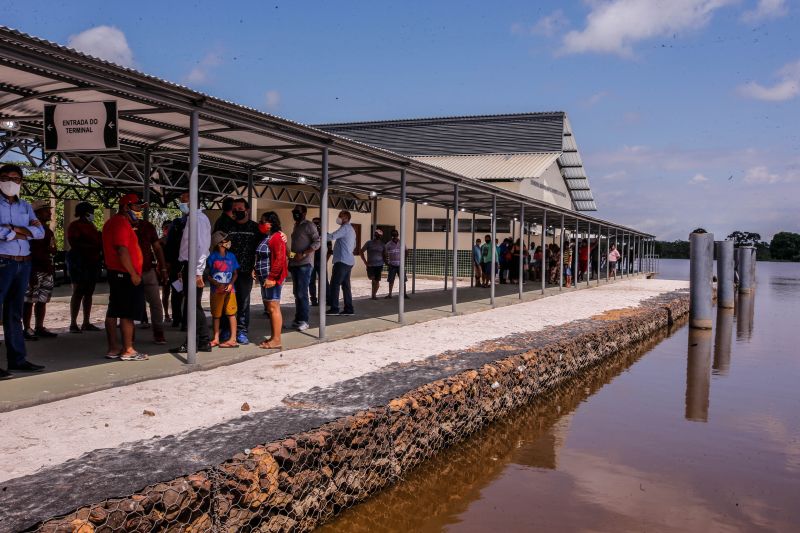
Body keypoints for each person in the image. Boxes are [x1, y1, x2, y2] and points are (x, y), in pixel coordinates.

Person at [0, 163, 45, 379]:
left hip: (23, 262)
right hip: (3, 261)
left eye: (16, 178)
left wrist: (12, 230)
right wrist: (25, 232)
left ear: (21, 182)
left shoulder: (25, 206)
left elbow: (40, 232)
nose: (11, 182)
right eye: (6, 177)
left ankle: (17, 360)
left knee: (14, 313)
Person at [102, 193, 148, 361]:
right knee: (126, 313)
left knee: (114, 310)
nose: (139, 211)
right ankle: (128, 349)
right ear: (126, 207)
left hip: (117, 272)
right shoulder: (120, 223)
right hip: (124, 274)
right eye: (137, 207)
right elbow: (122, 250)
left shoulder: (113, 223)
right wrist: (133, 273)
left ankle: (113, 348)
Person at [212, 197, 260, 344]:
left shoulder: (255, 228)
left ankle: (242, 332)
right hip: (228, 273)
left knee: (243, 302)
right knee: (227, 301)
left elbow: (265, 244)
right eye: (235, 210)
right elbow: (216, 242)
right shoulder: (227, 226)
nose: (237, 212)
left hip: (246, 271)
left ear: (247, 210)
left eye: (240, 209)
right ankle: (227, 330)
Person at [169, 192, 212, 354]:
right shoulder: (192, 219)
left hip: (195, 267)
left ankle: (196, 342)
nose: (181, 204)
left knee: (193, 306)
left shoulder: (198, 220)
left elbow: (201, 247)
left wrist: (198, 272)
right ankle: (201, 341)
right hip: (189, 266)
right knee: (193, 305)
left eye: (184, 201)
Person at [23, 200, 57, 340]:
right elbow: (28, 252)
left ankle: (39, 326)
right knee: (29, 300)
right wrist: (30, 272)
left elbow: (52, 248)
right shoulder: (29, 230)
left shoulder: (47, 230)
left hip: (46, 269)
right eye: (45, 210)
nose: (49, 213)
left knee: (42, 299)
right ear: (36, 213)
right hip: (34, 269)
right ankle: (26, 328)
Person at [66, 201, 102, 333]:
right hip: (80, 262)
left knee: (89, 292)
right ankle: (73, 323)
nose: (93, 213)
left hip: (93, 262)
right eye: (91, 211)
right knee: (78, 292)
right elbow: (74, 244)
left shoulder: (91, 225)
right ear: (86, 213)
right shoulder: (75, 226)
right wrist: (94, 246)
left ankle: (86, 322)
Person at [255, 211, 287, 349]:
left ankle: (277, 340)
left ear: (271, 223)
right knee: (270, 308)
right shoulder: (267, 237)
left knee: (274, 308)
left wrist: (271, 277)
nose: (261, 224)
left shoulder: (277, 237)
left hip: (271, 279)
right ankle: (274, 337)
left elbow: (280, 259)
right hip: (265, 278)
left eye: (263, 222)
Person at [134, 215, 167, 344]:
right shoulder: (123, 225)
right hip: (130, 271)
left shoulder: (147, 226)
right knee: (129, 303)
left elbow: (157, 247)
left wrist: (163, 268)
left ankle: (158, 331)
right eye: (136, 207)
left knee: (156, 303)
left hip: (148, 270)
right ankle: (128, 337)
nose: (138, 211)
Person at [289, 204, 321, 330]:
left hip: (305, 264)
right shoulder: (296, 226)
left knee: (302, 293)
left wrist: (303, 253)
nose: (294, 213)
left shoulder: (309, 225)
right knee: (296, 293)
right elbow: (294, 247)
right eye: (294, 211)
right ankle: (298, 319)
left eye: (297, 211)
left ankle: (304, 320)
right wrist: (290, 259)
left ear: (304, 213)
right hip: (294, 264)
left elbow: (317, 242)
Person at [207, 231, 240, 348]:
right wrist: (216, 284)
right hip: (216, 291)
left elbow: (235, 273)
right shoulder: (212, 257)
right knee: (216, 315)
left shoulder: (231, 256)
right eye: (226, 240)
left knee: (231, 313)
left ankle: (233, 338)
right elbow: (208, 275)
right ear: (219, 243)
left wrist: (231, 284)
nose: (228, 243)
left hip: (230, 290)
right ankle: (215, 338)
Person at [326, 210, 356, 316]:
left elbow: (333, 236)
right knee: (346, 286)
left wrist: (321, 234)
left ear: (346, 218)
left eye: (340, 216)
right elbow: (354, 245)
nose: (338, 217)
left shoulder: (345, 228)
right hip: (349, 260)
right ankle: (349, 308)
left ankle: (334, 308)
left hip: (342, 261)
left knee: (335, 284)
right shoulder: (351, 229)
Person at [163, 209, 186, 328]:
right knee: (180, 293)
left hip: (176, 266)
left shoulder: (174, 233)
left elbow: (169, 250)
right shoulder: (180, 231)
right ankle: (180, 319)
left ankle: (177, 318)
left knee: (177, 293)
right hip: (179, 266)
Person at [360, 228, 385, 300]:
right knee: (372, 278)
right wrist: (365, 262)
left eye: (379, 234)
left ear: (381, 236)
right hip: (370, 265)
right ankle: (373, 294)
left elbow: (384, 254)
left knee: (376, 281)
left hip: (379, 265)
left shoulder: (382, 244)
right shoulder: (369, 243)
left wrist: (385, 262)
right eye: (376, 233)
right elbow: (361, 251)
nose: (377, 235)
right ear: (374, 234)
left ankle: (374, 295)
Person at [385, 229, 409, 298]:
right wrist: (386, 262)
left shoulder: (402, 242)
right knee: (391, 280)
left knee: (403, 280)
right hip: (392, 265)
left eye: (395, 234)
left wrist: (404, 260)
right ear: (391, 235)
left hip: (400, 265)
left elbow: (406, 251)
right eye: (393, 234)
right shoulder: (388, 244)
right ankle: (390, 294)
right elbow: (385, 253)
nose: (394, 236)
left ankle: (404, 294)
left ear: (398, 235)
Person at [309, 217, 325, 307]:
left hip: (321, 261)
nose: (316, 225)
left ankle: (324, 300)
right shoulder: (310, 235)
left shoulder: (325, 235)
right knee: (311, 282)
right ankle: (313, 300)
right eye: (314, 223)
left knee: (323, 282)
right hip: (311, 261)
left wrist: (324, 261)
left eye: (317, 223)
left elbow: (329, 250)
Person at [159, 221, 172, 324]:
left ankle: (176, 314)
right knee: (166, 292)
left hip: (175, 269)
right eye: (166, 227)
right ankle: (166, 314)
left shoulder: (176, 240)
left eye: (170, 227)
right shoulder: (160, 241)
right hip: (165, 269)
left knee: (178, 293)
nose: (168, 229)